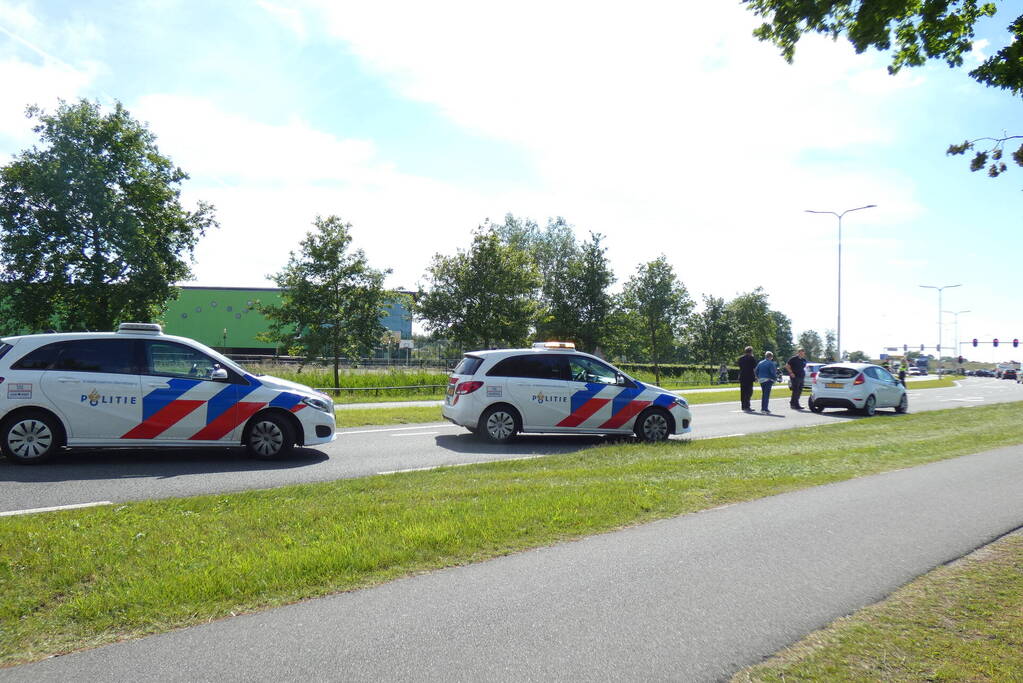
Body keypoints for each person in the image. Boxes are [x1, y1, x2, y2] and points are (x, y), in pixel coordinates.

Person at [737, 346, 757, 412]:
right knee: (749, 392)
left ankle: (743, 406)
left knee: (743, 392)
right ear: (751, 352)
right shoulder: (752, 358)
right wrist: (756, 377)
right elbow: (754, 369)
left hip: (742, 376)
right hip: (749, 377)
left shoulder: (740, 358)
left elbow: (740, 367)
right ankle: (747, 406)